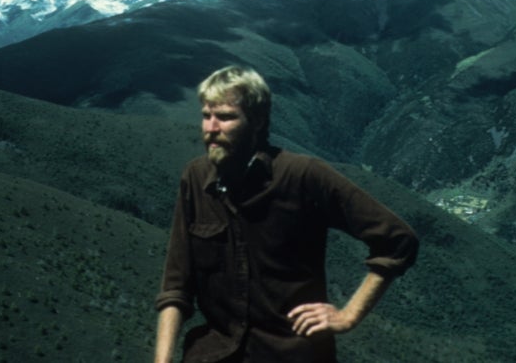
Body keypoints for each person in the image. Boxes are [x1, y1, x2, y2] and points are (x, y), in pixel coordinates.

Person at [154, 65, 419, 363]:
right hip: (214, 354)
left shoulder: (303, 176)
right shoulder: (195, 178)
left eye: (226, 117)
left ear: (257, 122)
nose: (211, 128)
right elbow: (176, 287)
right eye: (206, 115)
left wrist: (348, 316)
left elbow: (397, 239)